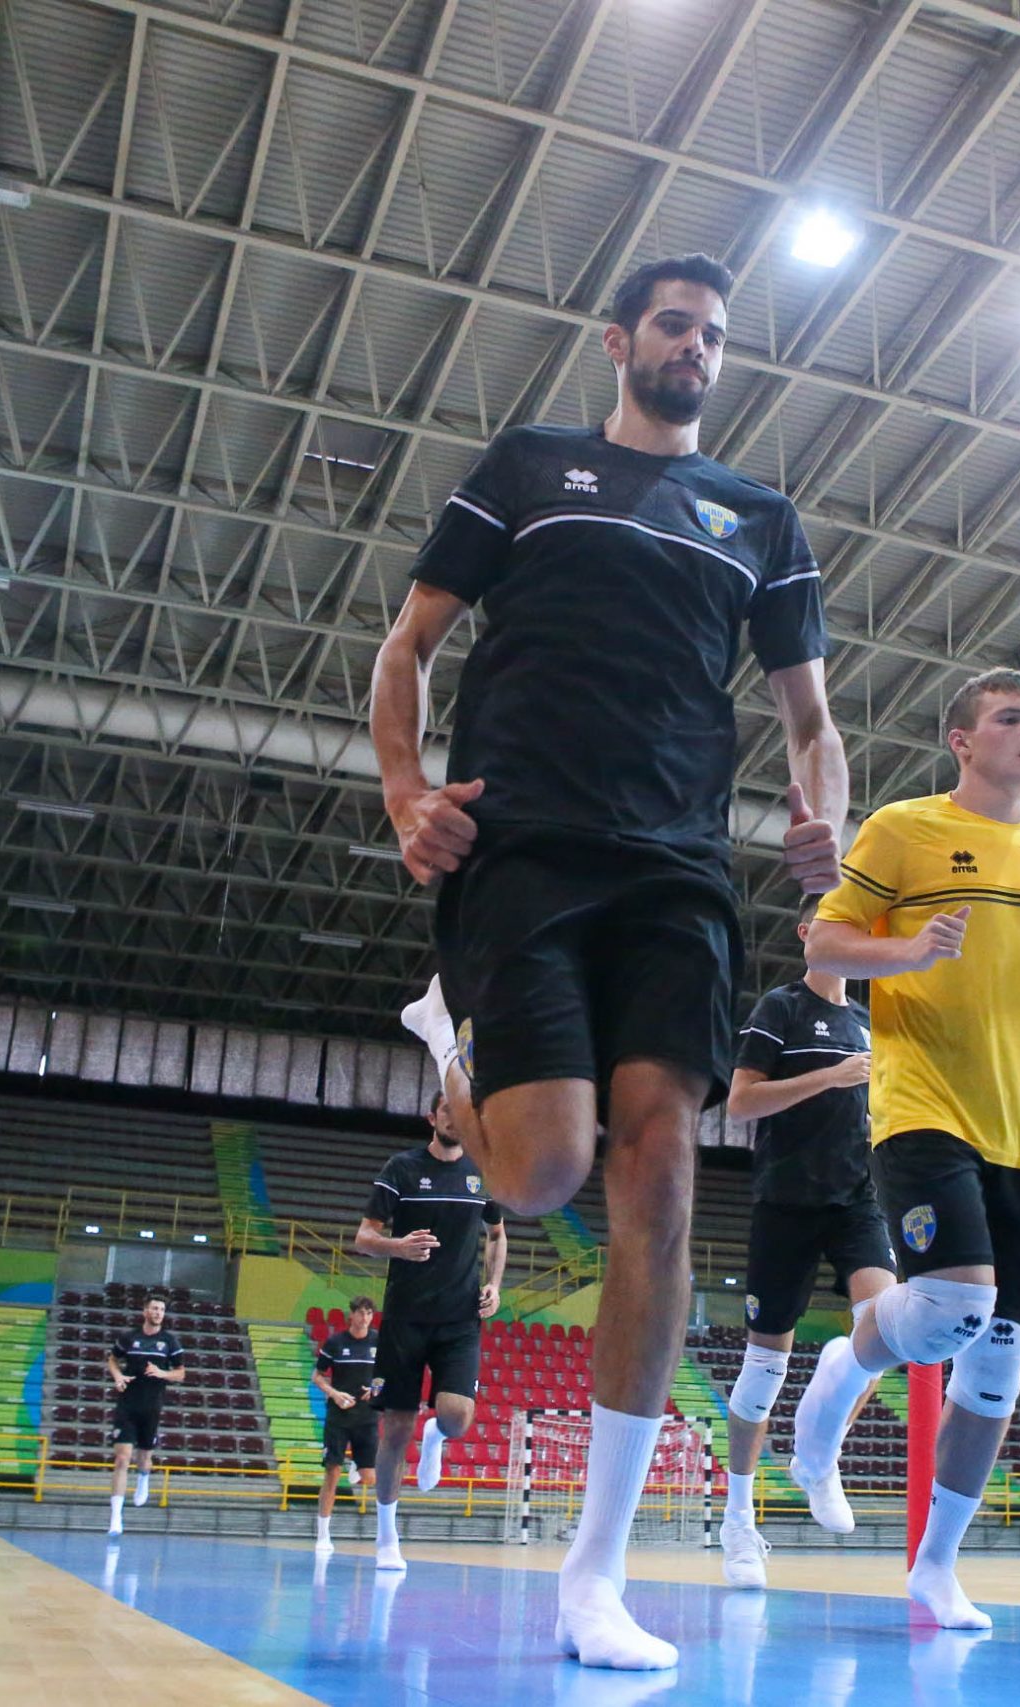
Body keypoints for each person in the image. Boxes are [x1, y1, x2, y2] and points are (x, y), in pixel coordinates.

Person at [374, 251, 847, 1670]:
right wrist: (404, 795)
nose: (696, 347)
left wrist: (824, 820)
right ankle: (453, 1047)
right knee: (540, 1174)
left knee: (664, 1172)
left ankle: (597, 1572)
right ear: (619, 340)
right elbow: (408, 644)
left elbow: (809, 716)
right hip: (523, 847)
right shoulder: (530, 466)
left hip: (677, 870)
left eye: (715, 334)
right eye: (675, 326)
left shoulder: (759, 517)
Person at [791, 667, 1020, 1629]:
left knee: (998, 1363)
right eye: (1011, 718)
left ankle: (936, 1566)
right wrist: (908, 951)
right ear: (962, 740)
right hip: (925, 1103)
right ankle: (842, 1371)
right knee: (954, 1308)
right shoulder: (903, 828)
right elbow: (823, 945)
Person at [718, 894, 894, 1589]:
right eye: (832, 921)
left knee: (886, 1332)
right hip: (785, 1200)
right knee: (764, 1370)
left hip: (857, 1197)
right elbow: (740, 1102)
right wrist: (829, 1075)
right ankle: (738, 1521)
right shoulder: (781, 1008)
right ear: (806, 933)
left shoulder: (870, 1023)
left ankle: (819, 1456)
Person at [356, 1094, 507, 1573]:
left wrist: (495, 1285)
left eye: (463, 1114)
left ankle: (436, 1436)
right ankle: (387, 1536)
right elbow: (363, 1236)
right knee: (395, 1431)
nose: (455, 1120)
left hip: (460, 1320)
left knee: (457, 1417)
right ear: (432, 1118)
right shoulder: (401, 1168)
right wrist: (397, 1246)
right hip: (405, 1318)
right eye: (447, 1112)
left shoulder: (482, 1172)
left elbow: (497, 1234)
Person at [104, 1293, 184, 1535]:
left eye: (161, 1309)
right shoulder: (129, 1337)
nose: (158, 1312)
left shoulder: (169, 1341)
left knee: (144, 1459)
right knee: (121, 1459)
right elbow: (112, 1360)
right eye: (154, 1308)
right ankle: (116, 1518)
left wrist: (162, 1373)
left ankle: (143, 1478)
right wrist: (117, 1376)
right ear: (145, 1311)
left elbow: (181, 1373)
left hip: (152, 1406)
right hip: (127, 1404)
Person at [311, 1296, 382, 1553]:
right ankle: (323, 1535)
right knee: (332, 1473)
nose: (365, 1318)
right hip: (339, 1417)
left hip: (367, 1418)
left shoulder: (379, 1342)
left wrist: (375, 1389)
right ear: (351, 1315)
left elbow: (387, 1375)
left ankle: (356, 1462)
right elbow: (317, 1376)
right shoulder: (335, 1342)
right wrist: (334, 1393)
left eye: (369, 1313)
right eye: (361, 1313)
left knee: (370, 1478)